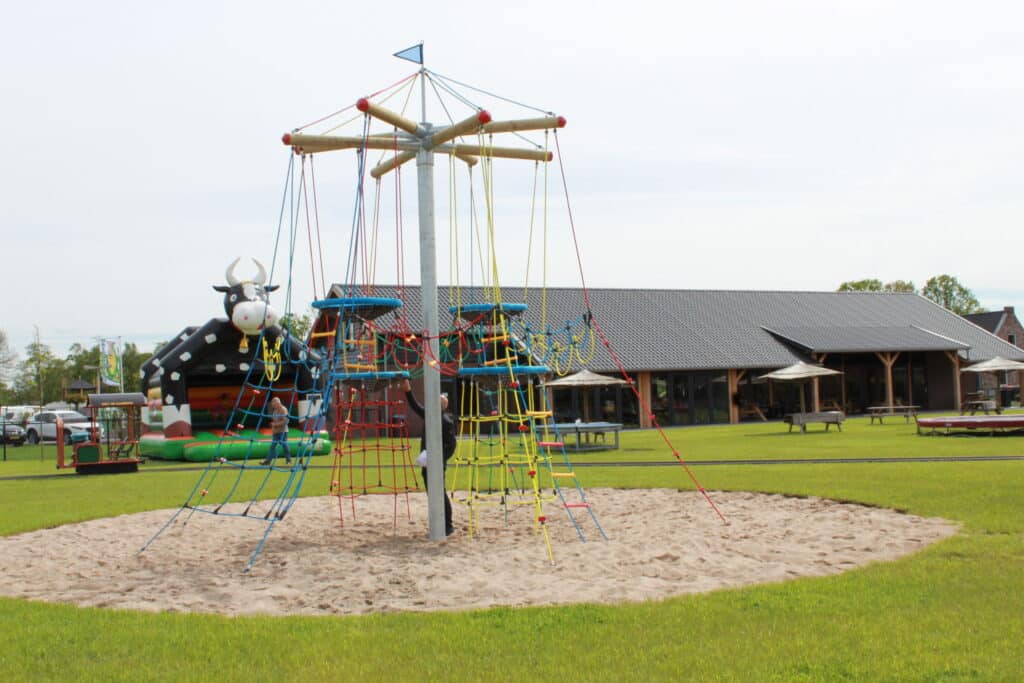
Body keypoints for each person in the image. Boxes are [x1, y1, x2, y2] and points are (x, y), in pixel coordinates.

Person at [401, 377, 456, 536]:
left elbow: (451, 445)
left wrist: (440, 459)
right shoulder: (429, 415)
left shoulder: (445, 422)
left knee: (439, 492)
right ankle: (438, 523)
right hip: (427, 462)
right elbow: (415, 406)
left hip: (437, 463)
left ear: (441, 406)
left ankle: (448, 525)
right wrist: (407, 390)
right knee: (431, 492)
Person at [260, 397, 292, 466]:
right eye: (273, 405)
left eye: (274, 404)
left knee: (284, 445)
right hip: (276, 432)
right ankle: (268, 461)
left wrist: (276, 424)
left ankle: (288, 460)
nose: (273, 406)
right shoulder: (275, 411)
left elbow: (286, 421)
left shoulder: (283, 409)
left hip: (283, 431)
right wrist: (273, 425)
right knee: (273, 446)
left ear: (278, 403)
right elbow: (275, 420)